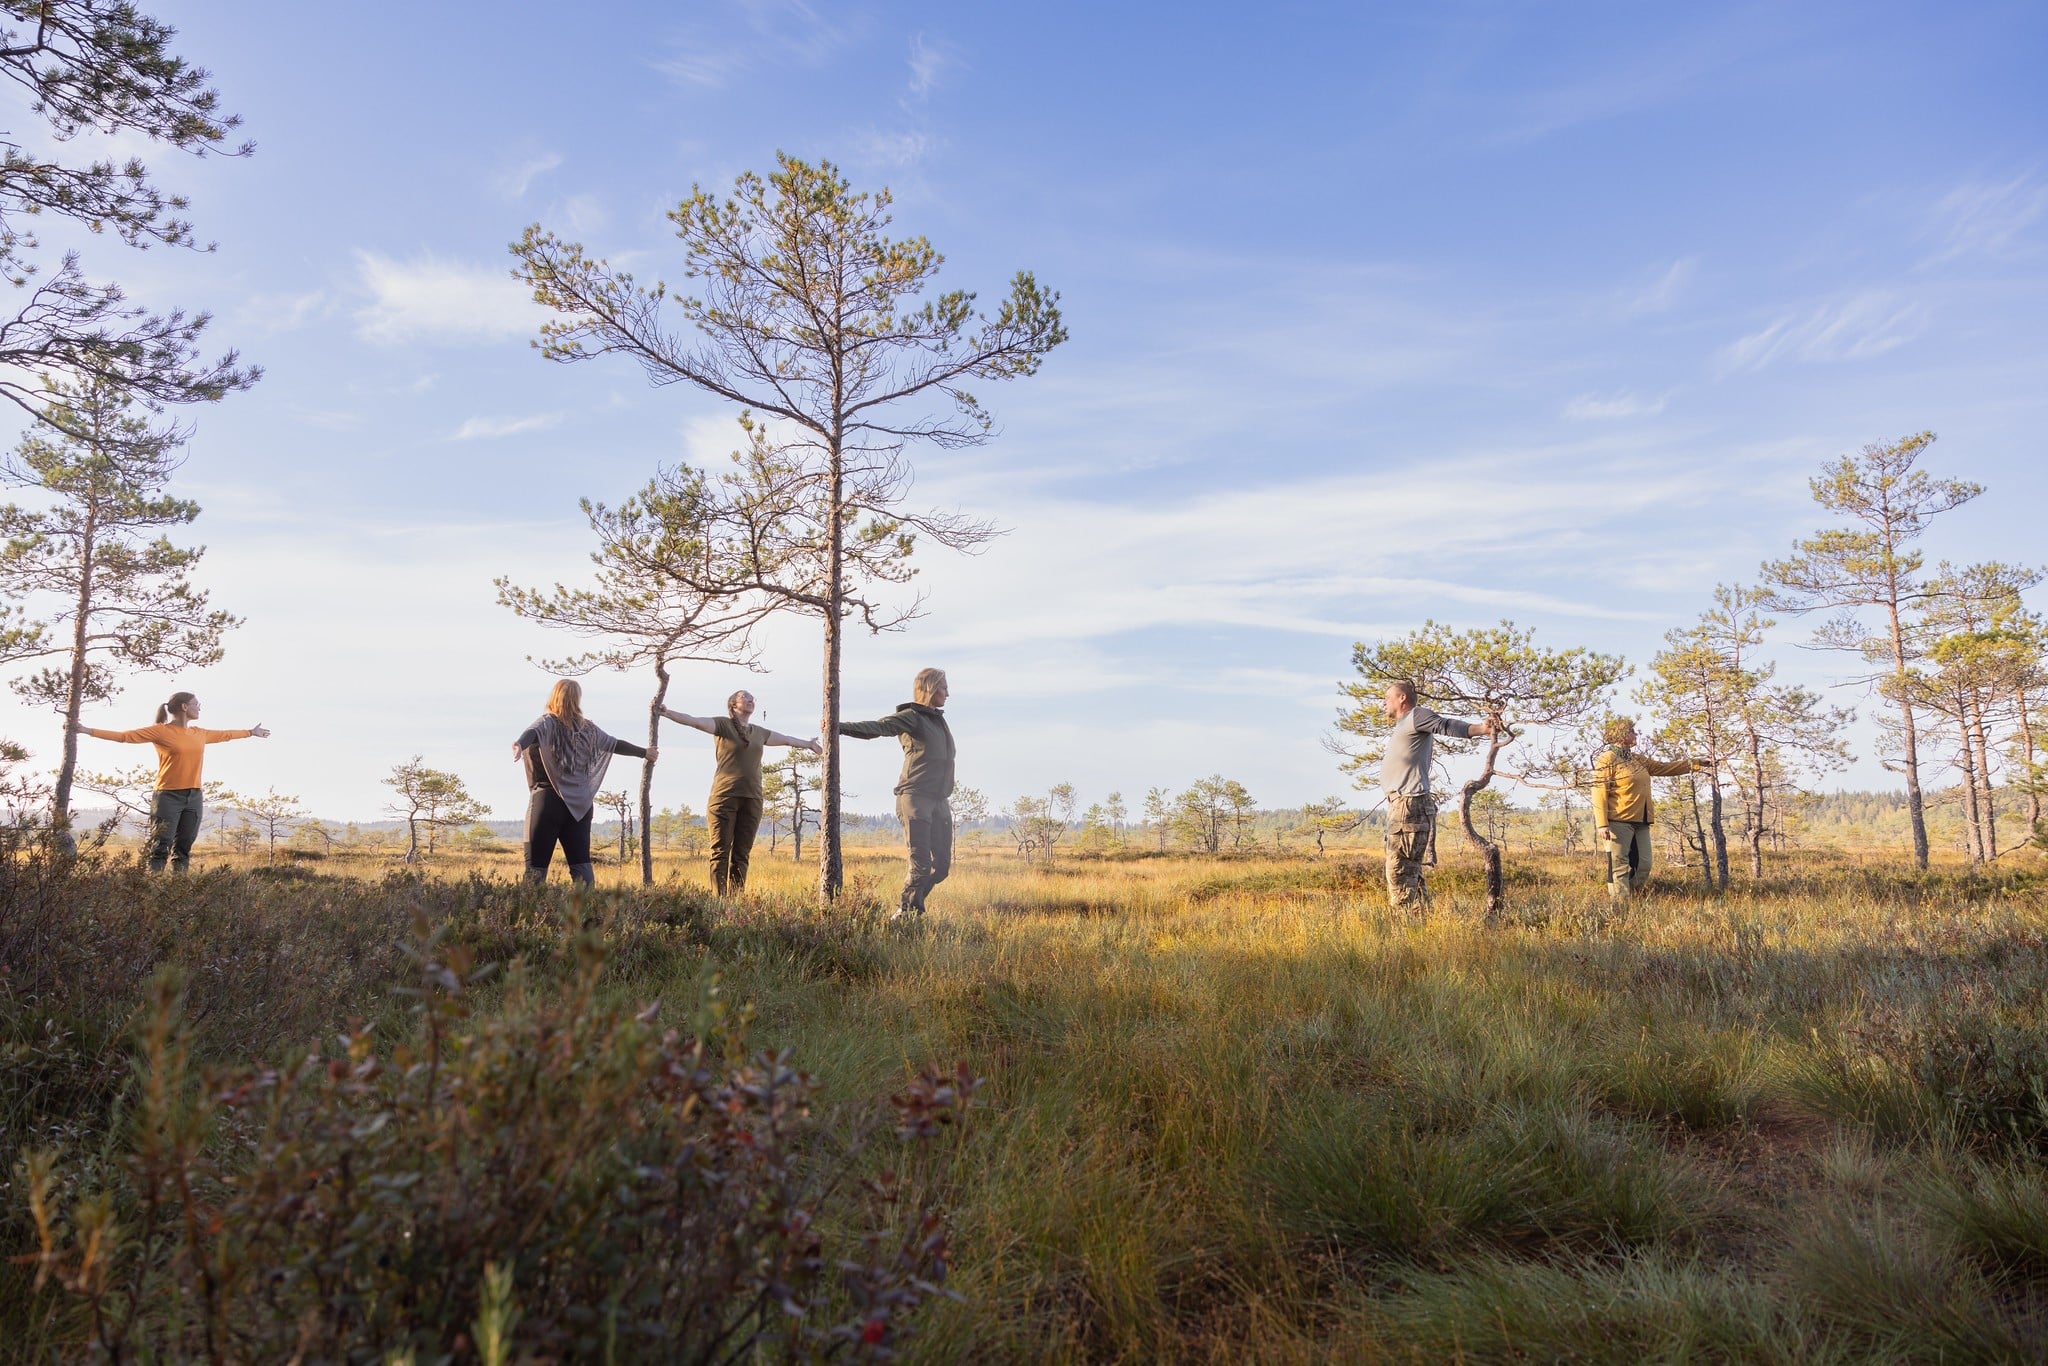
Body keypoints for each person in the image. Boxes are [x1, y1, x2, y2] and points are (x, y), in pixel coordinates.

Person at [71, 692, 271, 872]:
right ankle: (152, 885)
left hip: (194, 796)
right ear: (185, 707)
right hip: (167, 796)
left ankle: (178, 889)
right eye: (196, 704)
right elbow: (125, 737)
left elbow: (226, 735)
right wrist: (86, 730)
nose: (199, 707)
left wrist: (251, 732)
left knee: (184, 845)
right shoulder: (160, 731)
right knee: (161, 844)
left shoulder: (199, 733)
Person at [660, 691, 820, 896]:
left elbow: (787, 740)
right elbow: (693, 721)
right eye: (745, 697)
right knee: (720, 853)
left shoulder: (758, 732)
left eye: (753, 698)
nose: (751, 700)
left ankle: (736, 903)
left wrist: (808, 744)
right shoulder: (723, 725)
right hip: (724, 797)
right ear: (733, 705)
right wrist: (666, 713)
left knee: (742, 855)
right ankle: (719, 901)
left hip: (752, 798)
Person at [512, 679, 654, 886]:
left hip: (547, 802)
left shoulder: (547, 722)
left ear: (553, 697)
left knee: (535, 869)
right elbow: (616, 744)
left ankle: (528, 915)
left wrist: (518, 745)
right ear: (577, 699)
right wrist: (644, 753)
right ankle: (586, 914)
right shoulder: (589, 729)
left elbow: (531, 733)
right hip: (580, 807)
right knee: (582, 868)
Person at [840, 667, 956, 918]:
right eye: (944, 687)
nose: (948, 693)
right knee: (921, 865)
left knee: (942, 867)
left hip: (939, 800)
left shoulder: (938, 719)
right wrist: (839, 727)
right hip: (914, 798)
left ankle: (907, 908)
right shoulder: (911, 716)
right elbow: (878, 727)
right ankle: (907, 915)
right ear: (930, 688)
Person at [1378, 680, 1499, 909]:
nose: (1383, 704)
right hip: (1402, 806)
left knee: (1400, 872)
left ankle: (1406, 935)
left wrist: (1482, 729)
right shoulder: (1404, 724)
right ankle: (1422, 931)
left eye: (1388, 698)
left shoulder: (1416, 715)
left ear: (1402, 698)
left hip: (1409, 805)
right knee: (1410, 873)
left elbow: (1446, 725)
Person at [1591, 717, 1710, 901]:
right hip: (1618, 821)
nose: (1635, 734)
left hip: (1641, 820)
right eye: (1632, 731)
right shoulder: (1607, 759)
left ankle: (1628, 895)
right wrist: (1602, 824)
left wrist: (1695, 763)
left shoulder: (1636, 759)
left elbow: (1664, 767)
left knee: (1644, 864)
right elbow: (1599, 792)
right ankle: (1620, 905)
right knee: (1619, 864)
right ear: (1621, 734)